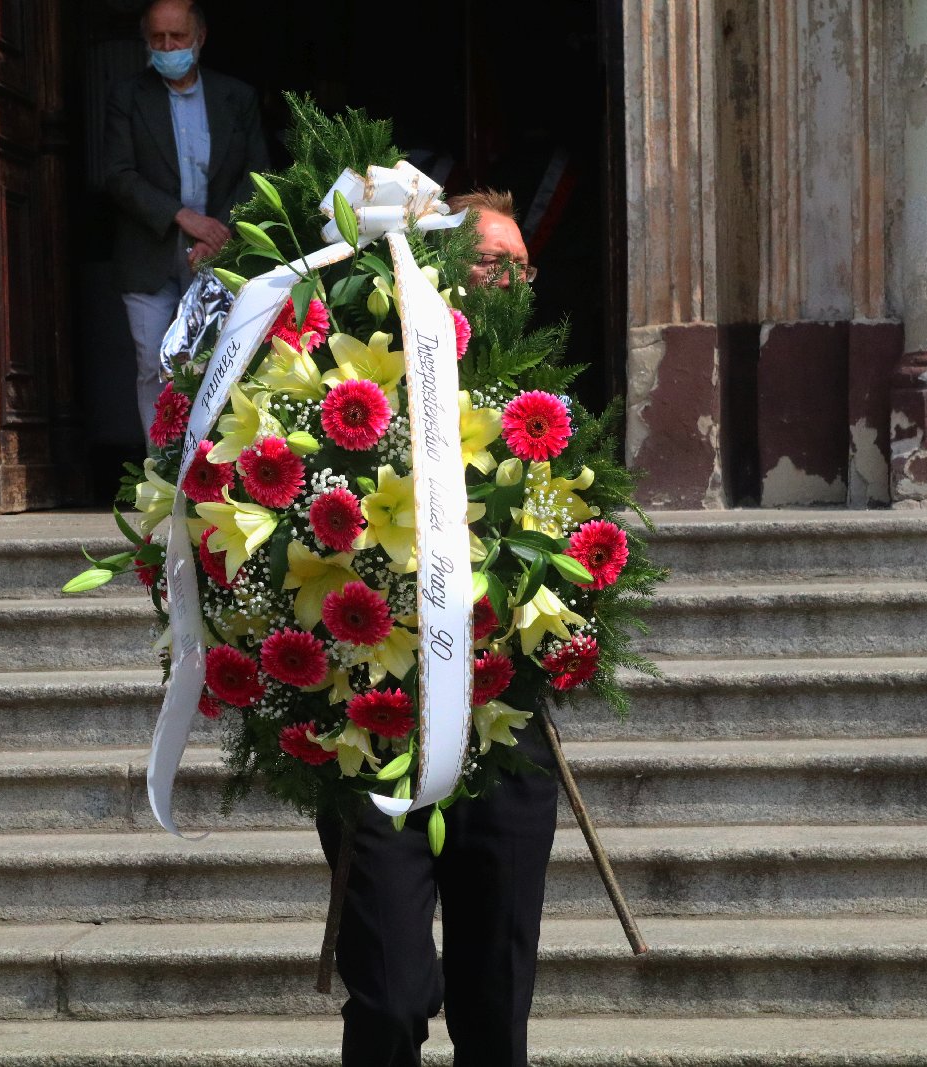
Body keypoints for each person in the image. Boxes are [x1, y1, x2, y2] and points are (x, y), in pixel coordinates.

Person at [317, 193, 554, 1067]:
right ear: (444, 273)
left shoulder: (546, 405)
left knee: (497, 1004)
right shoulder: (362, 388)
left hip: (502, 730)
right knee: (388, 993)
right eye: (497, 263)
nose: (516, 282)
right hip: (377, 729)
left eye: (525, 266)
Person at [103, 0, 268, 446]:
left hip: (220, 251)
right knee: (153, 364)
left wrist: (220, 230)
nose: (167, 46)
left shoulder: (237, 97)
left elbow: (257, 174)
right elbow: (118, 176)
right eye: (157, 38)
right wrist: (183, 218)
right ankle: (162, 474)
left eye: (177, 37)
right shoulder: (127, 97)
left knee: (220, 362)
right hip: (149, 252)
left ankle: (209, 473)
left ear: (200, 37)